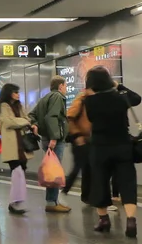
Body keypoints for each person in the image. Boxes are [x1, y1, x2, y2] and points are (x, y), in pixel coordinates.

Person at [84, 66, 141, 238]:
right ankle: (131, 220)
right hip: (123, 146)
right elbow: (137, 99)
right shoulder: (120, 97)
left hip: (100, 148)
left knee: (99, 182)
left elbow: (92, 119)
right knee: (127, 182)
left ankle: (104, 220)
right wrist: (119, 86)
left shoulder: (90, 102)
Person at [29, 76, 71, 213]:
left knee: (52, 169)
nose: (66, 88)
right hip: (54, 140)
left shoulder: (45, 98)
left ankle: (52, 200)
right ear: (60, 86)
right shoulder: (58, 97)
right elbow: (52, 117)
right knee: (54, 171)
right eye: (65, 86)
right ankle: (52, 202)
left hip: (46, 138)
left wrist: (34, 125)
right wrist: (54, 137)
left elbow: (31, 115)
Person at [0, 83, 33, 215]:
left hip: (22, 144)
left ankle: (17, 201)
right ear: (9, 93)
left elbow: (26, 118)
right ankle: (14, 202)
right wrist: (23, 121)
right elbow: (9, 122)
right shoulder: (3, 106)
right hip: (12, 144)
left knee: (22, 170)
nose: (18, 94)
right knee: (16, 170)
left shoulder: (19, 105)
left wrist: (22, 121)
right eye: (15, 92)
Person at [63, 91, 91, 206]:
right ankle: (64, 192)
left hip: (88, 140)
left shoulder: (90, 100)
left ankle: (87, 197)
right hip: (79, 140)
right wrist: (77, 135)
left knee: (88, 169)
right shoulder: (82, 99)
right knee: (77, 167)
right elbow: (70, 116)